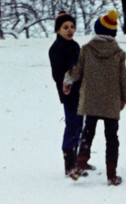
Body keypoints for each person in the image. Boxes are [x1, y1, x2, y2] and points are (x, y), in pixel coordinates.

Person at [63, 9, 126, 186]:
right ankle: (111, 174)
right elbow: (124, 77)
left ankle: (79, 165)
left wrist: (68, 81)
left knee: (87, 132)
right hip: (111, 101)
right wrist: (125, 97)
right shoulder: (119, 53)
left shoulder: (87, 49)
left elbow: (76, 70)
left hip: (91, 99)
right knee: (112, 137)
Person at [48, 11, 87, 176]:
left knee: (80, 126)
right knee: (72, 126)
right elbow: (58, 73)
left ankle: (78, 161)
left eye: (72, 27)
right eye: (65, 27)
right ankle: (69, 164)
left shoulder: (75, 45)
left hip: (81, 92)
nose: (70, 30)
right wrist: (67, 83)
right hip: (69, 93)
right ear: (58, 30)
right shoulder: (56, 48)